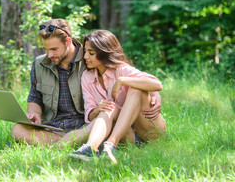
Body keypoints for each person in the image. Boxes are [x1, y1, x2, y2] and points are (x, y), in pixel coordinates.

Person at [11, 20, 163, 145]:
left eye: (54, 49)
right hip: (55, 126)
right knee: (17, 130)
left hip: (89, 124)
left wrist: (154, 94)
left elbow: (127, 73)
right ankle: (66, 142)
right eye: (46, 49)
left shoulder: (92, 57)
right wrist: (34, 115)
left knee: (102, 121)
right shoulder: (39, 64)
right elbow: (34, 97)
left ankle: (74, 141)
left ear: (68, 41)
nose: (50, 54)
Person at [68, 30, 166, 162]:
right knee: (109, 107)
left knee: (136, 89)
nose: (85, 57)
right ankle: (90, 148)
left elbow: (157, 84)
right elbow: (90, 117)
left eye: (91, 53)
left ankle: (110, 145)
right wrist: (98, 109)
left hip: (148, 128)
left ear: (104, 53)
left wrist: (122, 81)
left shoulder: (121, 69)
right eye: (85, 52)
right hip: (127, 136)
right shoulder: (87, 76)